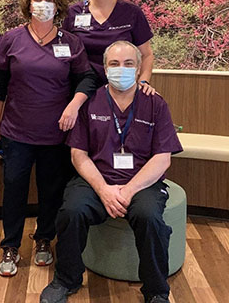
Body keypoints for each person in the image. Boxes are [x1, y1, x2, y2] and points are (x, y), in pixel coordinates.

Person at [40, 40, 183, 303]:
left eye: (129, 64)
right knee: (72, 211)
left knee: (149, 217)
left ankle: (156, 291)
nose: (122, 69)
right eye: (114, 64)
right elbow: (78, 155)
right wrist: (104, 190)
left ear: (140, 68)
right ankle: (66, 279)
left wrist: (128, 190)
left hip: (142, 183)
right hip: (97, 179)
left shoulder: (155, 104)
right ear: (105, 69)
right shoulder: (91, 102)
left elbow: (162, 159)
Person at [0, 0, 97, 277]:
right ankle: (10, 244)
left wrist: (73, 105)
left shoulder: (70, 42)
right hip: (16, 132)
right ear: (28, 4)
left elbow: (87, 79)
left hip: (56, 134)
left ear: (58, 5)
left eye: (48, 0)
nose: (42, 5)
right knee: (14, 190)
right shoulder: (11, 40)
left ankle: (43, 239)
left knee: (52, 190)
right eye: (37, 0)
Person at [63, 0, 155, 93]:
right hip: (81, 92)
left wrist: (143, 81)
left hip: (121, 92)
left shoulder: (132, 13)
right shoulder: (73, 13)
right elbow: (66, 56)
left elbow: (147, 54)